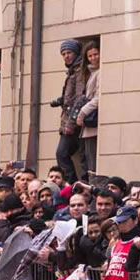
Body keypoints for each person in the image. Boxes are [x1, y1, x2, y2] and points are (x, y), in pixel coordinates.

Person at [51, 39, 87, 183]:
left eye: (69, 53)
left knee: (62, 153)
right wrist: (61, 100)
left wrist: (71, 122)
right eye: (63, 54)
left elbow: (80, 97)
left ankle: (71, 184)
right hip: (71, 120)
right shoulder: (72, 71)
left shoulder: (79, 72)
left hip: (74, 122)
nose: (66, 56)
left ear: (76, 53)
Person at [76, 41, 101, 174]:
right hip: (88, 123)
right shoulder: (90, 73)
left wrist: (82, 112)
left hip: (92, 121)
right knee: (86, 159)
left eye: (96, 54)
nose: (93, 58)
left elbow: (98, 97)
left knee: (92, 162)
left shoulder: (99, 73)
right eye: (90, 56)